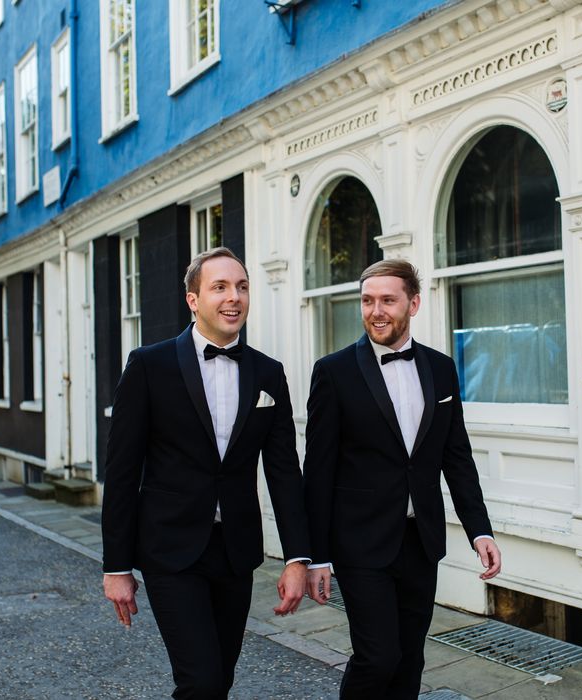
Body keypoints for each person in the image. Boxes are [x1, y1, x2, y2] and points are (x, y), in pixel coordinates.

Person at [102, 247, 310, 700]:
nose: (233, 297)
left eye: (241, 286)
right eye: (219, 287)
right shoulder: (148, 366)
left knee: (221, 680)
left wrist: (297, 557)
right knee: (201, 681)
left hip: (234, 552)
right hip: (170, 551)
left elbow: (283, 472)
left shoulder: (268, 374)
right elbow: (121, 471)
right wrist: (116, 565)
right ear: (193, 299)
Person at [303, 259, 501, 699]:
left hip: (420, 540)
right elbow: (317, 472)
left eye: (387, 300)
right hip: (360, 542)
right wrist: (316, 556)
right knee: (378, 657)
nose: (376, 311)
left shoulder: (441, 368)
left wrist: (479, 529)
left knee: (410, 657)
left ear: (413, 304)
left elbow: (457, 456)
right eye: (367, 300)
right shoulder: (333, 372)